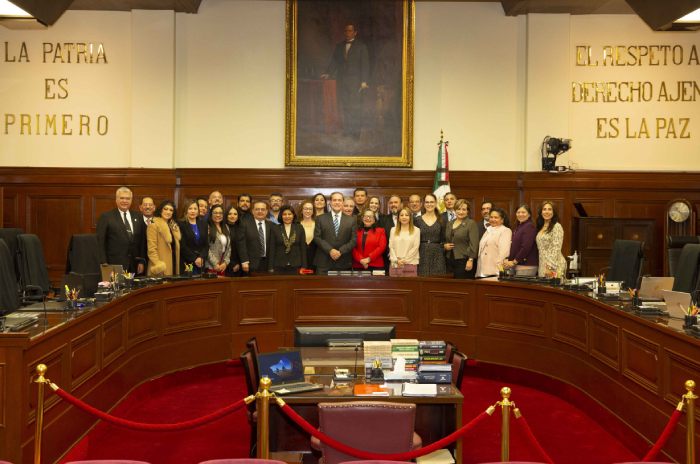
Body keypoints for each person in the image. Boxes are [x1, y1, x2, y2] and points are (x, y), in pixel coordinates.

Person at [321, 23, 370, 138]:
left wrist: (364, 81)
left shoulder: (361, 47)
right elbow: (334, 61)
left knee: (355, 107)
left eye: (350, 31)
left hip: (356, 83)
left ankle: (356, 133)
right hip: (342, 81)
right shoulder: (339, 46)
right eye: (346, 31)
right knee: (345, 106)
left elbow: (365, 65)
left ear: (355, 33)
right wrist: (328, 73)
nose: (347, 33)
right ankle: (348, 131)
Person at [96, 186, 146, 275]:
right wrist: (104, 262)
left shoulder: (138, 216)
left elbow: (142, 241)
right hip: (114, 264)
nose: (125, 201)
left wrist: (141, 261)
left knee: (135, 288)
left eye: (128, 198)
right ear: (116, 199)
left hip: (134, 264)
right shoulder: (106, 217)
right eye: (122, 198)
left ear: (131, 200)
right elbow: (100, 241)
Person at [314, 192, 357, 274]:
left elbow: (353, 240)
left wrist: (340, 251)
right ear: (330, 202)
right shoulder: (320, 219)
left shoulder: (351, 220)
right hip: (323, 262)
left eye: (339, 200)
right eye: (334, 200)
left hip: (343, 262)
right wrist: (330, 250)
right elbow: (317, 237)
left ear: (343, 202)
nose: (337, 202)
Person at [444, 199, 479, 279]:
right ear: (455, 210)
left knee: (462, 287)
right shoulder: (450, 223)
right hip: (449, 259)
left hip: (464, 260)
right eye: (458, 209)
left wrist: (470, 260)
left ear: (468, 211)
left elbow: (474, 244)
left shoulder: (471, 223)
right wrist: (445, 246)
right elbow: (447, 239)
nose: (461, 212)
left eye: (464, 209)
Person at [268, 205, 307, 274]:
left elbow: (303, 248)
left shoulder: (299, 228)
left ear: (293, 215)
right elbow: (272, 248)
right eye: (284, 214)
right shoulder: (275, 228)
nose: (287, 216)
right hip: (279, 265)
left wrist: (304, 266)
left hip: (296, 265)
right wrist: (270, 267)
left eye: (289, 214)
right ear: (281, 216)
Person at [146, 200, 181, 277]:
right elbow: (151, 250)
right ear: (160, 210)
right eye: (165, 209)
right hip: (160, 269)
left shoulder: (173, 227)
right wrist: (159, 265)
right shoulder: (153, 226)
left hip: (173, 266)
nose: (168, 212)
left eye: (171, 210)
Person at [237, 200, 273, 274]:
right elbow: (241, 244)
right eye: (257, 209)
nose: (260, 211)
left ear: (266, 211)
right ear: (253, 211)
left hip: (268, 264)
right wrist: (244, 261)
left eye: (262, 209)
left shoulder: (272, 225)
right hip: (250, 264)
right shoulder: (244, 224)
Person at [503, 204, 539, 277]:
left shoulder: (529, 226)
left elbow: (526, 247)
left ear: (529, 214)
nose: (520, 214)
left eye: (523, 212)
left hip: (526, 266)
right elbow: (514, 247)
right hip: (517, 265)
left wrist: (514, 261)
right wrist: (508, 259)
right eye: (518, 212)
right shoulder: (519, 226)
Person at [415, 193, 446, 276]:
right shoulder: (417, 220)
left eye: (432, 202)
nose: (429, 204)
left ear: (436, 203)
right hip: (421, 253)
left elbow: (444, 238)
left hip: (438, 253)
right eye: (427, 202)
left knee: (437, 280)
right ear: (424, 204)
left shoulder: (442, 219)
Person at [476, 208, 512, 277]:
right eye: (491, 217)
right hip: (482, 270)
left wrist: (499, 270)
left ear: (502, 220)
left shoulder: (505, 231)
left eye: (496, 217)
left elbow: (504, 253)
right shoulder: (488, 230)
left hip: (495, 271)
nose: (493, 219)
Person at [536, 200, 567, 278]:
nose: (547, 212)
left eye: (550, 209)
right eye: (544, 209)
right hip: (543, 265)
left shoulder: (556, 226)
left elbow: (556, 249)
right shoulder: (541, 226)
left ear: (554, 212)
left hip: (554, 266)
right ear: (541, 212)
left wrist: (550, 268)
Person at [178, 199, 209, 275]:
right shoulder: (181, 224)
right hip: (187, 262)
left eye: (195, 209)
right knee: (189, 282)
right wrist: (194, 259)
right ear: (186, 210)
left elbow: (206, 244)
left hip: (201, 262)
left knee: (200, 283)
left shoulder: (203, 224)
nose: (193, 211)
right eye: (190, 208)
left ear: (198, 211)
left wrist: (201, 257)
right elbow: (182, 245)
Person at [389, 207, 420, 277]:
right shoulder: (393, 230)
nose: (404, 217)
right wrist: (397, 261)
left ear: (410, 218)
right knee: (394, 287)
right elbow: (391, 247)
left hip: (410, 264)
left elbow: (415, 248)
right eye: (401, 215)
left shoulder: (416, 230)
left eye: (406, 215)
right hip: (395, 264)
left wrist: (404, 260)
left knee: (409, 287)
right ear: (398, 218)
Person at [379, 194, 402, 272]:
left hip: (405, 259)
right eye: (391, 203)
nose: (393, 205)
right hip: (387, 258)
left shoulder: (408, 220)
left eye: (396, 202)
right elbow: (381, 240)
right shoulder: (383, 220)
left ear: (401, 204)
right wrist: (390, 254)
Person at [206, 204, 231, 275]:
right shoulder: (207, 227)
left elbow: (229, 247)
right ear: (211, 214)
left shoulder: (226, 227)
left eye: (220, 213)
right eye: (215, 213)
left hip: (223, 265)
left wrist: (225, 263)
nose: (218, 215)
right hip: (211, 266)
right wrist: (215, 263)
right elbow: (206, 247)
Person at [298, 200, 317, 271]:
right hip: (299, 261)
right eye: (305, 208)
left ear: (313, 211)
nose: (308, 211)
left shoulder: (318, 224)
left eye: (310, 209)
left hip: (315, 261)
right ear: (301, 210)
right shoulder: (296, 224)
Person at [224, 205, 242, 276]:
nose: (232, 216)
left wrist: (239, 263)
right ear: (226, 215)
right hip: (225, 264)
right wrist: (232, 264)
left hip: (240, 264)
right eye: (230, 214)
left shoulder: (241, 228)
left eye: (235, 214)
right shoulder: (223, 228)